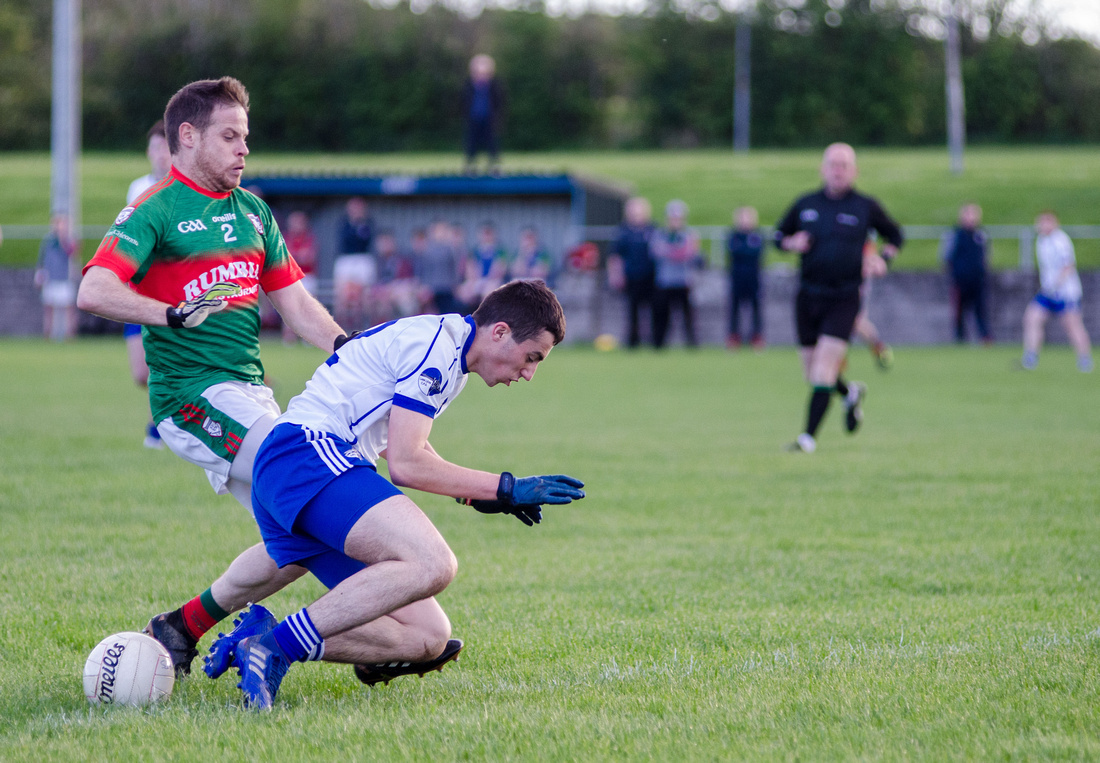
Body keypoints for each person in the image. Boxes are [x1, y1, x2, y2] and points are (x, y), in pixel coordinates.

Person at [199, 280, 585, 709]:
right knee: (434, 563)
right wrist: (506, 487)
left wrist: (476, 496)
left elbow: (394, 439)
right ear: (499, 332)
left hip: (304, 468)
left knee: (426, 638)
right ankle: (275, 648)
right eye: (532, 357)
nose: (529, 373)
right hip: (304, 456)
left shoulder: (448, 347)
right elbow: (406, 463)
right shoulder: (436, 348)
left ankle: (260, 640)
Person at [76, 76, 347, 677]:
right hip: (193, 399)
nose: (243, 149)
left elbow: (299, 308)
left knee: (298, 540)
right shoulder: (156, 209)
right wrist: (167, 313)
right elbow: (93, 289)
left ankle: (181, 627)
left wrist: (350, 352)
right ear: (189, 136)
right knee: (312, 484)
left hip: (252, 396)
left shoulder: (253, 211)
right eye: (230, 136)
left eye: (246, 137)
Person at [774, 142, 904, 453]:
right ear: (822, 169)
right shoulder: (805, 204)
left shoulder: (864, 206)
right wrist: (790, 243)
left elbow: (896, 235)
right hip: (807, 295)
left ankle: (807, 440)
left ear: (854, 171)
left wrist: (883, 259)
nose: (838, 170)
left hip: (844, 296)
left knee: (823, 369)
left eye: (844, 165)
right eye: (833, 164)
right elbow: (778, 236)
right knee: (813, 373)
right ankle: (849, 394)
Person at [124, 121, 173, 448]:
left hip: (169, 289)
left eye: (165, 148)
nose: (160, 155)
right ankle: (171, 416)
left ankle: (162, 424)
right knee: (141, 374)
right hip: (136, 288)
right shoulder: (138, 187)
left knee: (167, 360)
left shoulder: (183, 189)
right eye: (155, 148)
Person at [1021, 211, 1093, 372]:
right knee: (1032, 318)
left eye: (1045, 222)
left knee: (1072, 325)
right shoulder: (1041, 240)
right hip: (1048, 292)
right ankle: (1031, 357)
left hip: (1066, 293)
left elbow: (1068, 266)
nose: (1041, 226)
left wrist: (1055, 284)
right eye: (1040, 222)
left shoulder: (1060, 240)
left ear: (1054, 223)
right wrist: (1048, 287)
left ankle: (1085, 359)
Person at [651, 200, 703, 349]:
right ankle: (658, 344)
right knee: (662, 316)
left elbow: (694, 256)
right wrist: (678, 252)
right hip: (665, 281)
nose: (675, 221)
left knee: (688, 316)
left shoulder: (689, 235)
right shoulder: (660, 235)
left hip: (683, 281)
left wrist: (683, 251)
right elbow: (656, 252)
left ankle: (692, 344)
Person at [607, 197, 657, 348]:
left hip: (652, 277)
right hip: (632, 277)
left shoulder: (653, 229)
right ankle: (633, 342)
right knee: (632, 312)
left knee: (654, 311)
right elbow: (614, 256)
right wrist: (615, 275)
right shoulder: (623, 232)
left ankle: (656, 342)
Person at [941, 203, 992, 345]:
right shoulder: (954, 234)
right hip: (960, 280)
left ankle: (985, 338)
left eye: (973, 214)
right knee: (958, 312)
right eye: (967, 214)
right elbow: (947, 257)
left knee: (981, 310)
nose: (970, 218)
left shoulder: (981, 234)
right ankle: (959, 340)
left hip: (978, 280)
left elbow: (986, 256)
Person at [333, 197, 375, 330]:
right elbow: (346, 241)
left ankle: (363, 326)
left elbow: (365, 241)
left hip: (363, 259)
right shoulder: (343, 224)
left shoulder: (367, 224)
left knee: (364, 297)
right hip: (346, 260)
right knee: (342, 297)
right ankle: (340, 327)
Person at [726, 206, 765, 351]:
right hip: (737, 277)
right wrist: (746, 251)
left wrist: (744, 251)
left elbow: (756, 253)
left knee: (756, 307)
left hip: (753, 277)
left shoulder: (758, 235)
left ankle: (756, 337)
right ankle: (734, 337)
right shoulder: (733, 235)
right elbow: (734, 252)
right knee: (734, 308)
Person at [35, 214, 79, 341]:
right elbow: (42, 259)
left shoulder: (69, 239)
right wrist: (39, 275)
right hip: (51, 279)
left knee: (69, 308)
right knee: (49, 309)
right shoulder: (48, 240)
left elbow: (72, 252)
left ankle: (69, 335)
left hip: (64, 278)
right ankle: (47, 335)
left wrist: (62, 238)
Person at [852, 238, 893, 370]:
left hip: (855, 284)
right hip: (836, 283)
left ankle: (879, 348)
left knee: (855, 321)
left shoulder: (861, 234)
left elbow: (873, 262)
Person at [462, 54, 505, 175]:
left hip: (489, 119)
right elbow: (463, 102)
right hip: (473, 118)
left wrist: (498, 119)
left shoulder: (495, 85)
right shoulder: (469, 85)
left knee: (492, 143)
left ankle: (494, 166)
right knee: (471, 143)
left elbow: (500, 103)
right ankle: (470, 166)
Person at [282, 210, 319, 343]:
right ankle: (289, 336)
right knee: (289, 306)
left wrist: (296, 255)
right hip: (291, 276)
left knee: (308, 307)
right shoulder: (285, 237)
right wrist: (298, 255)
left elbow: (309, 256)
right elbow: (285, 257)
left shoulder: (308, 237)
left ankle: (308, 337)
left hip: (307, 275)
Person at [417, 220, 465, 315]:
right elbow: (424, 270)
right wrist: (424, 286)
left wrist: (456, 285)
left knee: (448, 312)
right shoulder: (427, 250)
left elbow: (455, 269)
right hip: (432, 288)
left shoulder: (451, 249)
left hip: (447, 288)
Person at [457, 221, 508, 309]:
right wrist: (475, 282)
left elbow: (500, 270)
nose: (486, 236)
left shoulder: (500, 251)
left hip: (492, 280)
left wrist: (486, 282)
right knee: (463, 292)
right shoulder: (474, 251)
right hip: (477, 279)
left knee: (489, 293)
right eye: (484, 233)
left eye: (488, 233)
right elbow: (470, 269)